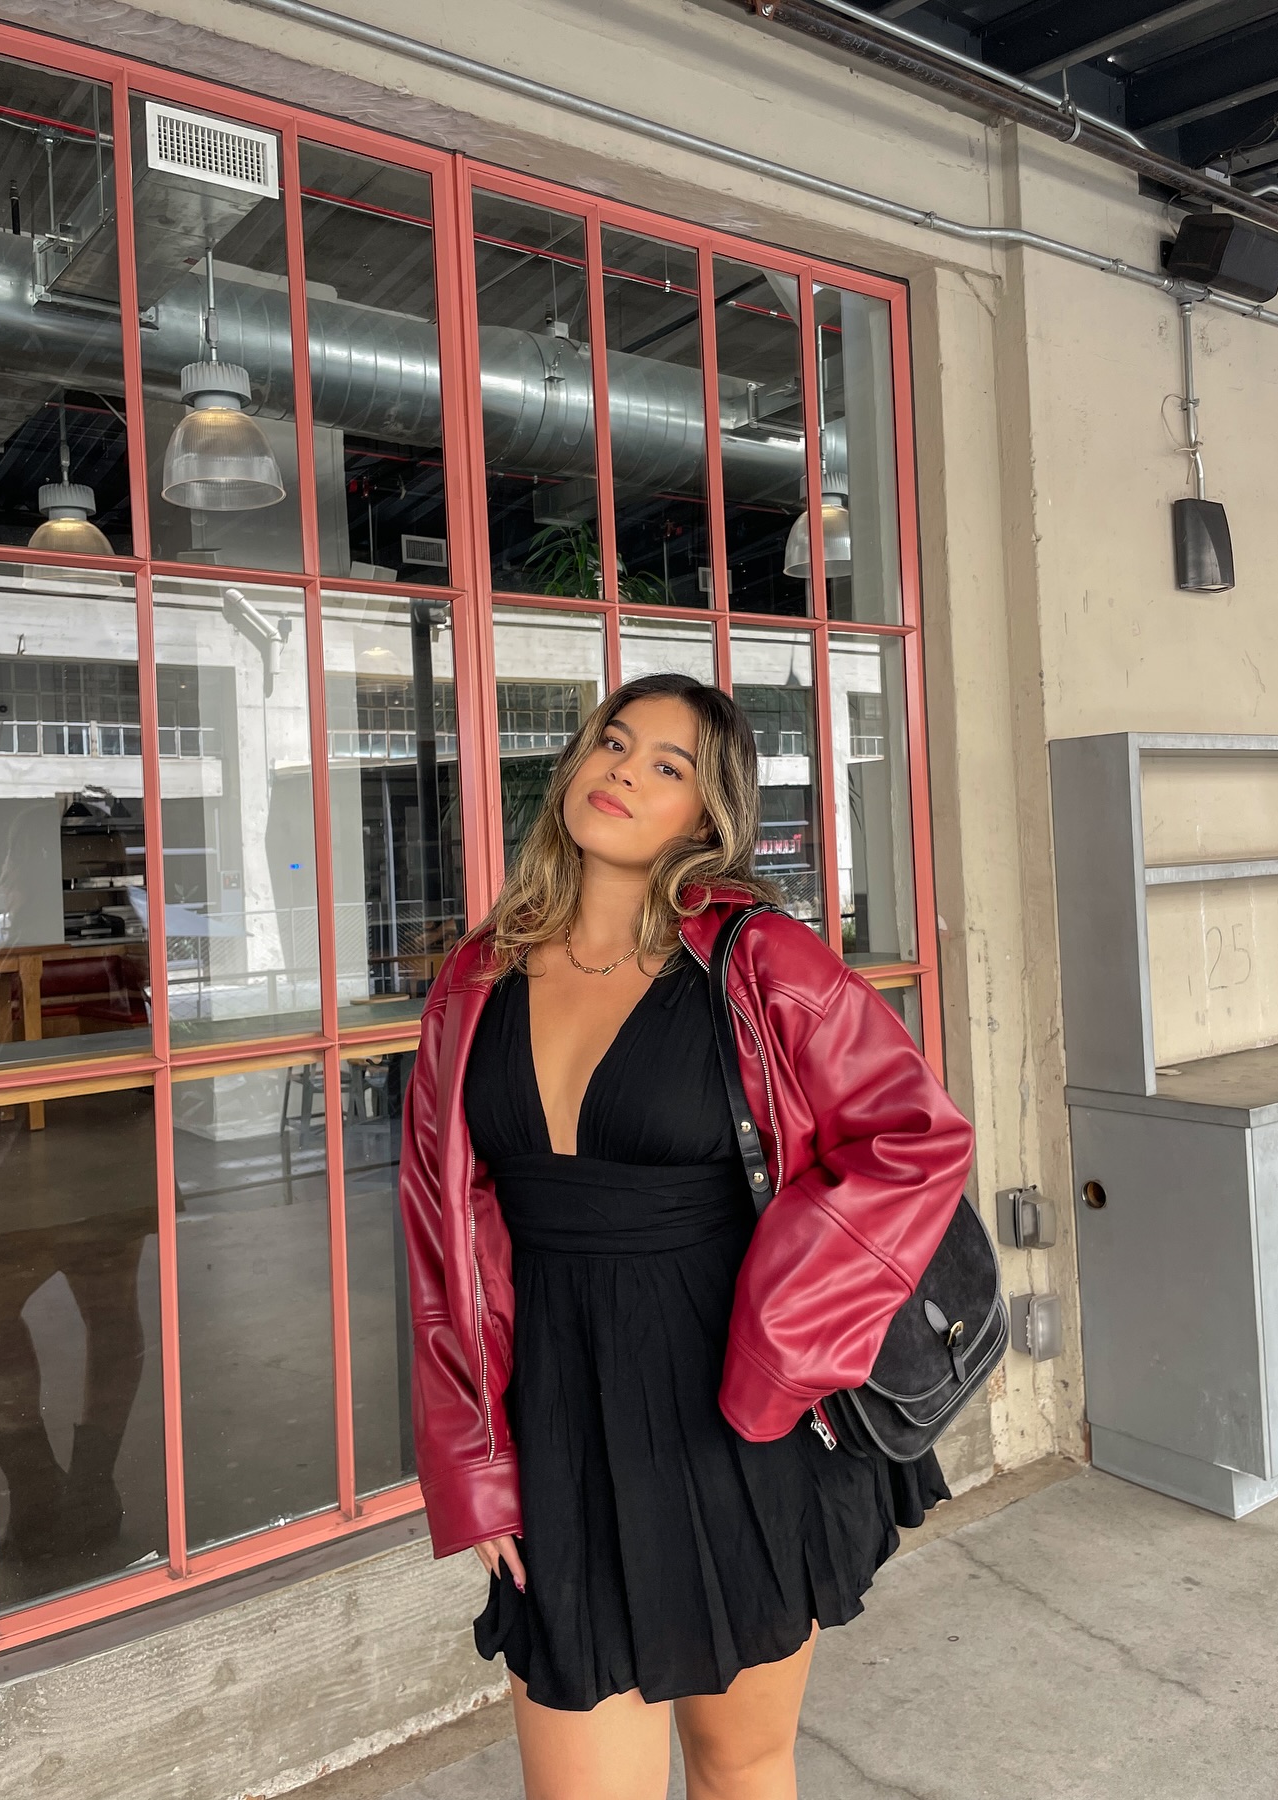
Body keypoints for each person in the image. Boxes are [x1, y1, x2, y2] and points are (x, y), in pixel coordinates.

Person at [400, 673, 975, 1800]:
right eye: (613, 745)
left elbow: (913, 1140)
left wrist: (785, 1349)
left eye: (667, 766)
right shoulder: (476, 979)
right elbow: (438, 1238)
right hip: (558, 1422)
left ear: (707, 818)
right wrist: (472, 1465)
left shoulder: (760, 960)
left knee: (740, 1770)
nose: (623, 770)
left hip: (739, 1413)